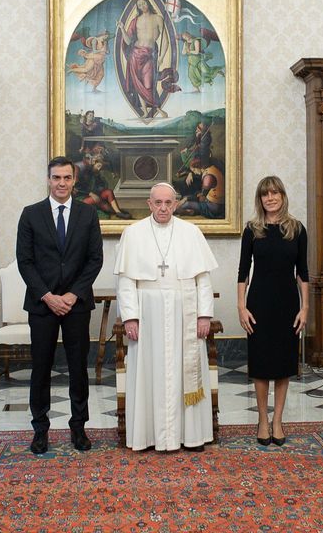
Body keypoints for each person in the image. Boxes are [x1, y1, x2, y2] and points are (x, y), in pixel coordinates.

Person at [114, 182, 217, 452]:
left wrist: (204, 315)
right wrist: (130, 317)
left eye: (168, 203)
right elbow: (126, 282)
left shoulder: (191, 232)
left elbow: (203, 280)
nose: (163, 208)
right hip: (147, 317)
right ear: (149, 204)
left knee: (186, 371)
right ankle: (148, 436)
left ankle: (191, 436)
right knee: (149, 371)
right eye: (157, 203)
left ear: (175, 203)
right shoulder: (133, 234)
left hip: (186, 313)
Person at [17, 156, 104, 455]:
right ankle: (40, 429)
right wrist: (48, 296)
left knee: (78, 368)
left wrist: (72, 295)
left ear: (74, 180)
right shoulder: (31, 214)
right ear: (48, 179)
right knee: (41, 368)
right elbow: (25, 262)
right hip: (42, 305)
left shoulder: (87, 214)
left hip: (76, 305)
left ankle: (78, 427)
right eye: (56, 178)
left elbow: (95, 259)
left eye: (67, 178)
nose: (62, 183)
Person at [237, 176, 309, 447]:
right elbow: (243, 272)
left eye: (275, 192)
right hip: (258, 304)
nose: (270, 198)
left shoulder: (297, 229)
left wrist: (305, 308)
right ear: (260, 199)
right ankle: (263, 420)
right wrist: (241, 307)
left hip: (288, 304)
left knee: (283, 365)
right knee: (261, 366)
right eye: (265, 194)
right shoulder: (252, 229)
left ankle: (277, 420)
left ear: (282, 195)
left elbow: (303, 272)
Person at [117, 0, 179, 119]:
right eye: (139, 5)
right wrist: (122, 28)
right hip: (135, 54)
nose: (142, 6)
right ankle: (145, 111)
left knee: (148, 84)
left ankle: (158, 109)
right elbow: (128, 41)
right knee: (137, 84)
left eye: (143, 3)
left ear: (148, 3)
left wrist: (161, 57)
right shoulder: (135, 20)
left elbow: (166, 40)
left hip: (149, 55)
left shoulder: (158, 18)